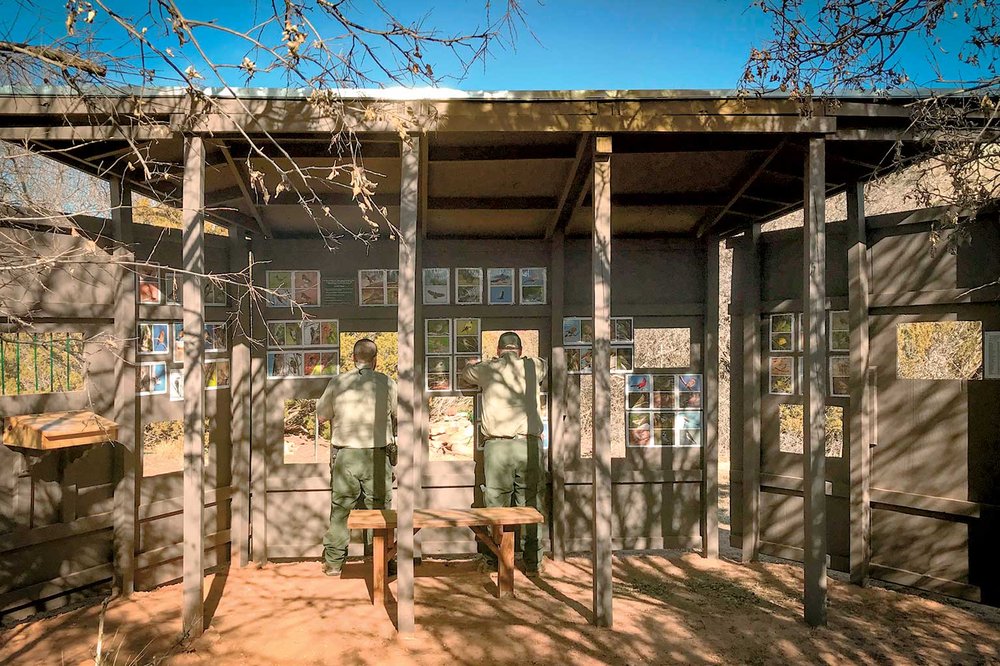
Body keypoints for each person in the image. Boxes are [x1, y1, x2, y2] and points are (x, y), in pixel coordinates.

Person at [461, 332, 548, 575]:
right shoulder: (534, 366)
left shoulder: (488, 369)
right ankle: (533, 561)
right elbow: (544, 365)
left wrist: (473, 364)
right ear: (519, 350)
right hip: (528, 445)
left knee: (496, 503)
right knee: (531, 503)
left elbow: (467, 374)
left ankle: (495, 559)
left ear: (499, 350)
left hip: (497, 446)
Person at [317, 338, 397, 577]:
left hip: (346, 456)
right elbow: (398, 415)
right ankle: (384, 560)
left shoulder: (338, 382)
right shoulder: (387, 382)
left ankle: (333, 562)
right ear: (375, 360)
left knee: (341, 510)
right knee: (380, 510)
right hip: (377, 455)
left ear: (353, 358)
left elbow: (321, 414)